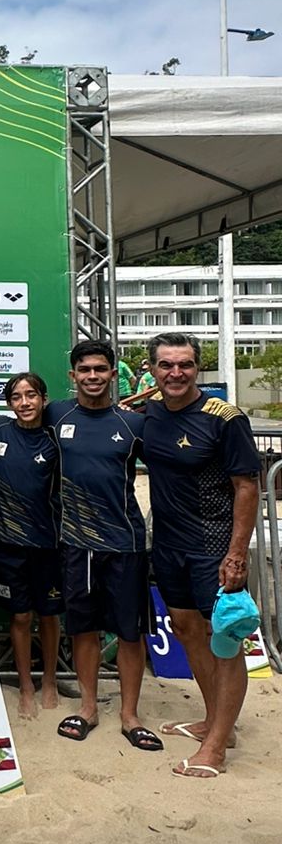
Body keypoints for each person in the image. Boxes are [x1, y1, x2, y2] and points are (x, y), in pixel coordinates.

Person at [141, 331, 261, 778]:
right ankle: (217, 724)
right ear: (152, 369)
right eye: (167, 365)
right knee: (188, 629)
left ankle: (215, 748)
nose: (176, 373)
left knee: (226, 641)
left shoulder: (224, 418)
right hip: (170, 545)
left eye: (185, 365)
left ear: (198, 368)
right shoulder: (149, 412)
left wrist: (236, 554)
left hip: (214, 547)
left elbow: (247, 486)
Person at [46, 340, 162, 753]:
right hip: (76, 543)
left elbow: (173, 469)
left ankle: (130, 715)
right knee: (83, 628)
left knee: (130, 633)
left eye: (100, 369)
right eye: (85, 369)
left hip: (125, 542)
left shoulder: (135, 424)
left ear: (114, 374)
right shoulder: (57, 414)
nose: (92, 376)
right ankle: (90, 708)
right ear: (72, 375)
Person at [0, 372, 62, 719]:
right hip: (8, 544)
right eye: (17, 397)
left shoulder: (55, 437)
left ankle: (48, 680)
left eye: (31, 395)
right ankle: (26, 686)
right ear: (9, 404)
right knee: (19, 616)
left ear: (43, 399)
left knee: (48, 615)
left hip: (48, 543)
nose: (25, 402)